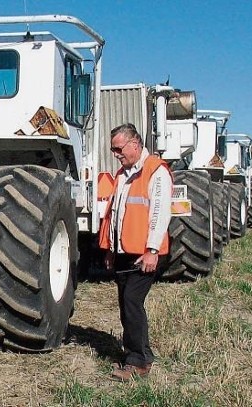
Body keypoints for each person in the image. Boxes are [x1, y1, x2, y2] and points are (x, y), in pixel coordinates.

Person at [98, 123, 173, 381]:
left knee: (131, 302)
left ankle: (138, 363)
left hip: (145, 254)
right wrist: (110, 249)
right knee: (126, 304)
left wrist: (152, 250)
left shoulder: (156, 172)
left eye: (119, 148)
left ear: (135, 143)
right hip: (124, 253)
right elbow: (115, 215)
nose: (116, 154)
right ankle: (142, 353)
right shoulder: (122, 175)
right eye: (113, 149)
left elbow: (160, 214)